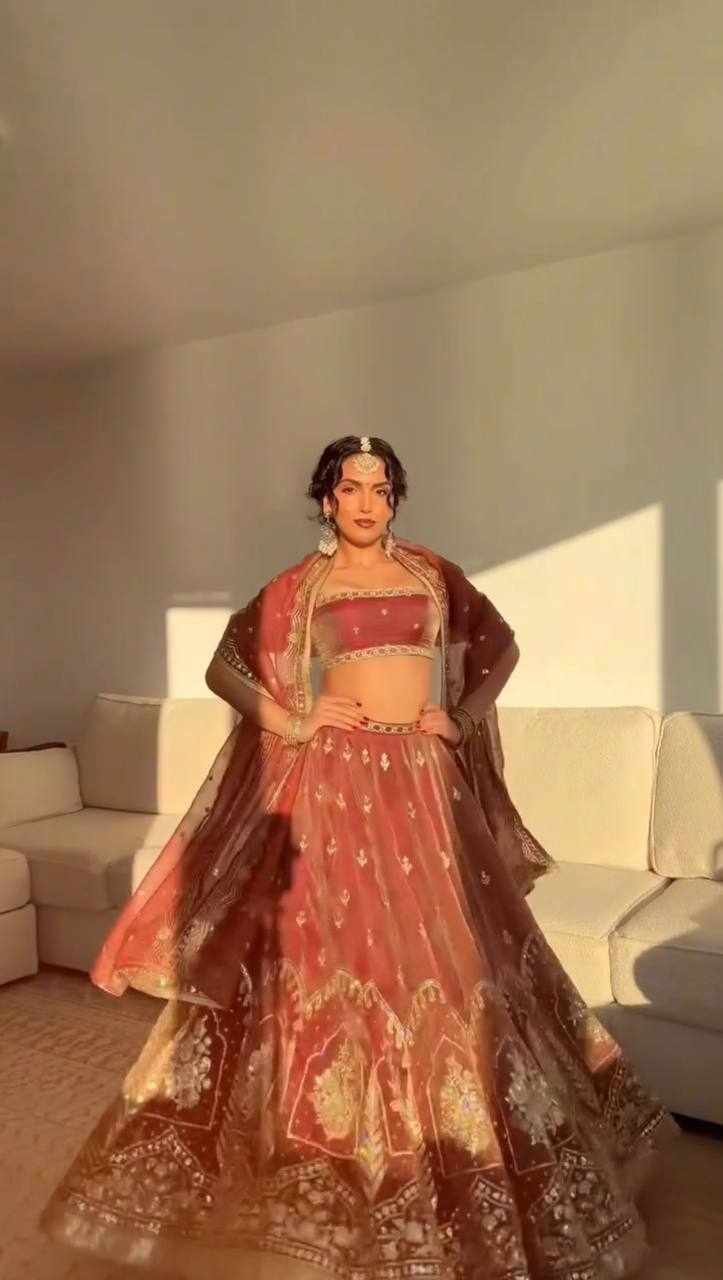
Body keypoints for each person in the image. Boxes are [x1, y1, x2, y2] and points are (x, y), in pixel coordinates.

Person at [41, 436, 679, 1279]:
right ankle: (315, 1180)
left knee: (454, 967)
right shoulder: (301, 587)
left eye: (381, 489)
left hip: (422, 783)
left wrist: (460, 716)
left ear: (395, 499)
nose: (367, 503)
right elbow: (226, 666)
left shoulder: (431, 575)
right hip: (334, 784)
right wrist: (292, 719)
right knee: (327, 967)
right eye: (351, 489)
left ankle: (461, 1167)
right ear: (326, 499)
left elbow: (499, 646)